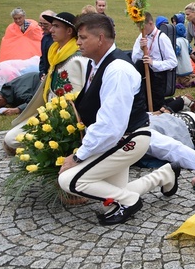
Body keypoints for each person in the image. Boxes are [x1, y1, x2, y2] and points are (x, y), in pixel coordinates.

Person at [57, 13, 179, 225]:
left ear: (101, 38)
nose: (77, 42)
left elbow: (111, 124)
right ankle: (164, 176)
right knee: (116, 193)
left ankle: (131, 202)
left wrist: (78, 156)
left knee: (68, 179)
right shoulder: (95, 64)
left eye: (83, 37)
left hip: (127, 140)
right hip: (117, 139)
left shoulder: (117, 70)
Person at [4, 12, 88, 150]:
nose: (51, 30)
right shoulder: (55, 53)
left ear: (69, 31)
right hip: (48, 113)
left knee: (12, 140)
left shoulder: (78, 59)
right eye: (52, 26)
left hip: (67, 120)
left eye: (56, 26)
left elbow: (78, 98)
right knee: (11, 138)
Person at [131, 12, 177, 111]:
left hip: (158, 77)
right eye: (139, 28)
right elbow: (134, 59)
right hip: (144, 76)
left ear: (151, 23)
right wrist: (141, 48)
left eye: (143, 27)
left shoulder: (162, 38)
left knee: (158, 108)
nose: (141, 30)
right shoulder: (141, 37)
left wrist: (153, 63)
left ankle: (180, 101)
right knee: (144, 106)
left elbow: (173, 62)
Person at [37, 10, 55, 77]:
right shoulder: (45, 38)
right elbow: (43, 58)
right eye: (40, 24)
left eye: (45, 24)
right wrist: (42, 73)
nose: (42, 27)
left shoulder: (58, 40)